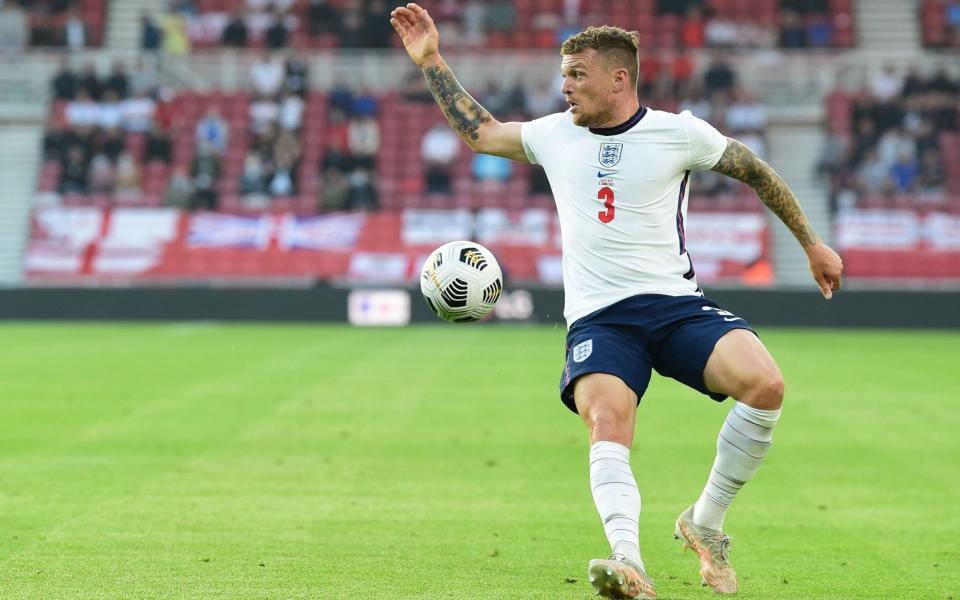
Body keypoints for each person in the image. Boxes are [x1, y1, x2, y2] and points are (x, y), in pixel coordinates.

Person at [390, 5, 843, 599]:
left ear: (618, 78)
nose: (565, 86)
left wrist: (811, 244)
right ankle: (627, 560)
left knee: (766, 386)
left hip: (676, 305)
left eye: (576, 74)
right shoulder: (554, 134)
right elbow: (482, 133)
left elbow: (754, 170)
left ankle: (705, 521)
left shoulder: (679, 132)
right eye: (564, 74)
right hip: (601, 318)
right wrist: (432, 62)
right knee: (607, 421)